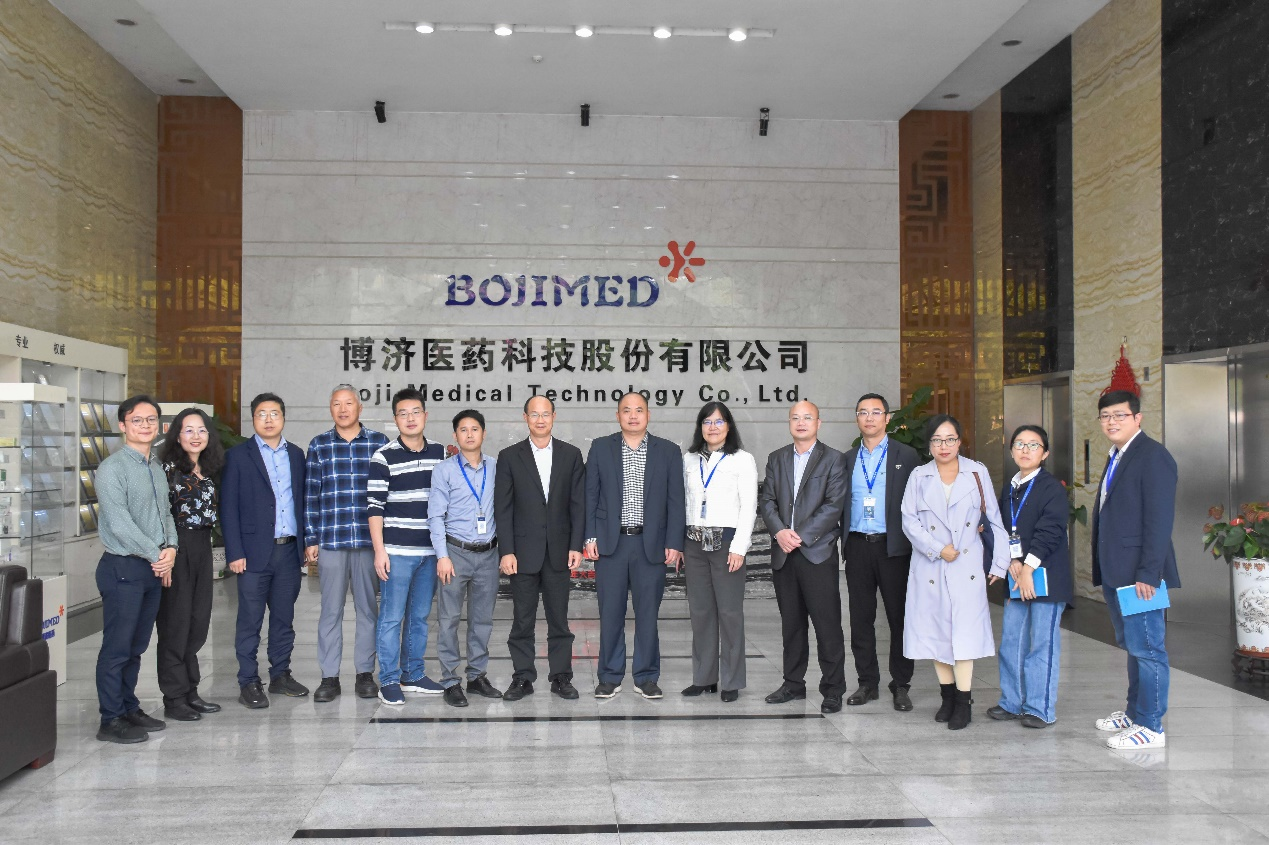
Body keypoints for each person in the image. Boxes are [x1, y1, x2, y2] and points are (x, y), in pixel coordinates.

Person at [900, 414, 1009, 730]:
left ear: (960, 442)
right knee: (936, 632)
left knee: (964, 634)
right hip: (931, 564)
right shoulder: (919, 476)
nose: (943, 445)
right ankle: (946, 697)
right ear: (929, 445)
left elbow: (994, 518)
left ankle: (964, 701)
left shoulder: (976, 472)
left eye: (949, 439)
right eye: (937, 440)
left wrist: (1000, 562)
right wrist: (937, 548)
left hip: (966, 564)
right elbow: (909, 520)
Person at [1091, 389, 1179, 750]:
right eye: (1105, 416)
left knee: (1148, 649)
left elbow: (1159, 521)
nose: (1111, 422)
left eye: (1119, 415)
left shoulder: (1153, 456)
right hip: (1118, 571)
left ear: (1137, 418)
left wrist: (1148, 573)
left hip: (1140, 576)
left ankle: (1151, 725)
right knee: (1133, 645)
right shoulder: (1117, 455)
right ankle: (1134, 713)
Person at [584, 392, 686, 700]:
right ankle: (609, 676)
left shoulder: (668, 451)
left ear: (648, 415)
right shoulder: (601, 447)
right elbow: (590, 495)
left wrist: (674, 542)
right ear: (617, 416)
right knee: (610, 614)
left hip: (650, 545)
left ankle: (646, 677)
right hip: (611, 545)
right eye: (626, 410)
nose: (632, 415)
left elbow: (676, 500)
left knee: (647, 616)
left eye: (638, 410)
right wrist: (590, 536)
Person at [93, 396, 178, 743]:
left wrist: (171, 548)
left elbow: (165, 514)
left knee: (136, 645)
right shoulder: (112, 468)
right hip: (123, 568)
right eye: (137, 420)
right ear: (123, 425)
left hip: (151, 568)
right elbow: (120, 523)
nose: (145, 425)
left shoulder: (155, 467)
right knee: (117, 647)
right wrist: (157, 553)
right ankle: (110, 718)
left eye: (151, 419)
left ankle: (129, 707)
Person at [220, 392, 310, 709]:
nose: (268, 419)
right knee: (250, 621)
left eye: (274, 413)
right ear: (253, 419)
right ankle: (248, 681)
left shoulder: (296, 455)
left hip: (288, 552)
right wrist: (234, 552)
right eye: (262, 414)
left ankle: (280, 675)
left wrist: (306, 544)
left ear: (283, 418)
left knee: (284, 619)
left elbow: (302, 502)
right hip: (252, 553)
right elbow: (228, 507)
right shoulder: (237, 456)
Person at [759, 401, 849, 714]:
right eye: (795, 418)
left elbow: (834, 505)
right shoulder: (777, 458)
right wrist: (779, 532)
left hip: (817, 553)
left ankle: (833, 688)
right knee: (792, 625)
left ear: (818, 423)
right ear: (789, 423)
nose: (801, 422)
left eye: (807, 417)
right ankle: (793, 684)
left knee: (827, 625)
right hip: (784, 554)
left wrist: (799, 535)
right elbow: (767, 501)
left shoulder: (833, 459)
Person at [495, 396, 586, 702]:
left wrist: (576, 545)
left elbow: (578, 505)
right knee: (522, 620)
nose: (540, 420)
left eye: (545, 414)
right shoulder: (509, 456)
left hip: (560, 551)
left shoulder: (571, 455)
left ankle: (561, 677)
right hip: (522, 553)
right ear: (525, 418)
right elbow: (503, 508)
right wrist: (506, 550)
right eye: (534, 414)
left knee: (559, 619)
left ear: (554, 417)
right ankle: (522, 677)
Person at [304, 384, 389, 703]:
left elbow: (387, 494)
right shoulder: (319, 445)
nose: (343, 409)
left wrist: (385, 544)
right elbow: (311, 494)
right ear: (331, 409)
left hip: (368, 542)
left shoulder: (379, 442)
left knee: (368, 610)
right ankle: (329, 677)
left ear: (359, 408)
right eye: (337, 404)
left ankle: (365, 673)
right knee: (330, 611)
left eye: (348, 403)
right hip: (332, 540)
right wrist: (311, 537)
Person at [986, 424, 1072, 729]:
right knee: (1012, 641)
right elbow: (1004, 530)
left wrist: (1028, 568)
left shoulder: (1051, 488)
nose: (1025, 450)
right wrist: (1012, 561)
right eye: (1019, 444)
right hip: (1017, 573)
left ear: (1045, 453)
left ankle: (1039, 708)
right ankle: (1012, 702)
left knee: (1041, 645)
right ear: (1011, 450)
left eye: (1033, 445)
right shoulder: (1010, 488)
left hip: (1045, 576)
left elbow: (1051, 531)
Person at [840, 393, 920, 712]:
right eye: (863, 412)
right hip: (858, 544)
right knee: (861, 618)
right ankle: (867, 682)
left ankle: (901, 684)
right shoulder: (847, 459)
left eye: (876, 412)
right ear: (856, 418)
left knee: (899, 617)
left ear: (887, 418)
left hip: (894, 548)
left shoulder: (906, 455)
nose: (869, 418)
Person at [368, 388, 447, 705]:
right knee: (391, 617)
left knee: (419, 617)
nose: (410, 418)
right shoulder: (383, 457)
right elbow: (374, 508)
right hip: (397, 553)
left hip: (429, 553)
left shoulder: (440, 453)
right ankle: (388, 679)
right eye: (403, 413)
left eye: (416, 412)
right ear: (395, 418)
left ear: (425, 415)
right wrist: (380, 551)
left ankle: (413, 674)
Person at [681, 401, 757, 703]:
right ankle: (704, 678)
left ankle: (732, 681)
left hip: (726, 543)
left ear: (729, 426)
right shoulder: (689, 459)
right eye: (707, 422)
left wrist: (739, 547)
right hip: (694, 542)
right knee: (700, 612)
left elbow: (749, 507)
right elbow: (684, 502)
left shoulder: (742, 459)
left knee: (729, 613)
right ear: (700, 427)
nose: (712, 427)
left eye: (719, 421)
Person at [428, 409, 502, 707]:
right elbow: (435, 516)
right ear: (455, 435)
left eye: (475, 429)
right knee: (448, 620)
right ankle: (450, 680)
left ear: (483, 433)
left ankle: (476, 676)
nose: (469, 434)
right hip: (455, 553)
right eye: (463, 429)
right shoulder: (444, 470)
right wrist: (442, 556)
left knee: (482, 620)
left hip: (489, 554)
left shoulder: (497, 467)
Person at [155, 408, 224, 722]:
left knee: (197, 622)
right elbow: (159, 515)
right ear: (177, 435)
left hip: (202, 547)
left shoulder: (208, 470)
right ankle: (174, 697)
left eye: (202, 430)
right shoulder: (166, 470)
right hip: (175, 548)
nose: (196, 436)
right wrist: (165, 556)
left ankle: (190, 690)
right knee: (175, 624)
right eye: (189, 430)